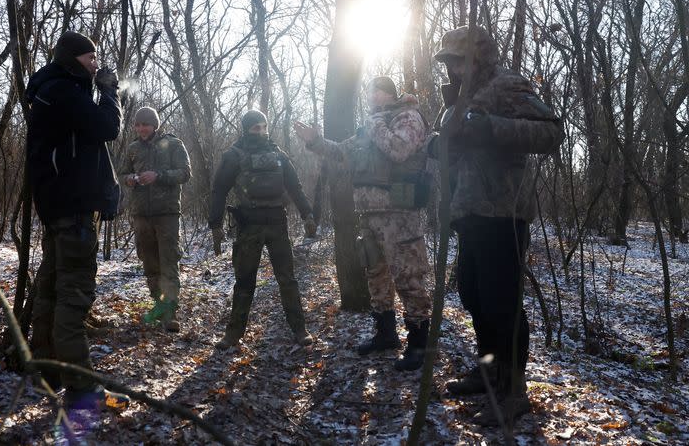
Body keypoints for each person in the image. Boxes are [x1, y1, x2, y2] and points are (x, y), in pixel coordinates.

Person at [428, 25, 564, 424]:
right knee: (473, 294)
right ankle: (487, 368)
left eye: (459, 59)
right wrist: (439, 144)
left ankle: (514, 390)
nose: (453, 68)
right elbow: (444, 144)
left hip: (503, 211)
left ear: (479, 57)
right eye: (449, 61)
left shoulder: (507, 85)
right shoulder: (456, 98)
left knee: (502, 303)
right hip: (467, 212)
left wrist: (492, 128)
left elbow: (552, 132)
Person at [294, 76, 432, 371]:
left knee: (408, 278)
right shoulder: (369, 127)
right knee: (376, 276)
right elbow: (340, 152)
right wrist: (315, 142)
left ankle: (420, 344)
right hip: (369, 215)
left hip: (400, 215)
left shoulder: (407, 117)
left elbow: (399, 150)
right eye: (369, 93)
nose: (371, 97)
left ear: (390, 94)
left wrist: (377, 124)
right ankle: (385, 334)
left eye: (377, 92)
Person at [26, 30, 129, 412]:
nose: (96, 63)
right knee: (74, 294)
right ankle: (82, 388)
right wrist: (110, 91)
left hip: (58, 207)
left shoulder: (52, 88)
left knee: (51, 288)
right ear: (73, 58)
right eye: (90, 58)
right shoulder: (66, 91)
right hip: (71, 208)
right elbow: (107, 128)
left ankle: (45, 372)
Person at [209, 110, 318, 350]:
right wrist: (215, 224)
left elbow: (295, 187)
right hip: (249, 225)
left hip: (278, 223)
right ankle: (233, 334)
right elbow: (218, 190)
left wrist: (307, 214)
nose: (260, 131)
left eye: (263, 127)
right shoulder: (234, 156)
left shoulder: (279, 155)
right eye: (255, 128)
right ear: (246, 129)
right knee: (244, 282)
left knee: (287, 280)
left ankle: (300, 329)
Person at [119, 106, 191, 332]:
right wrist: (130, 179)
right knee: (150, 263)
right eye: (138, 125)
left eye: (146, 124)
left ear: (155, 125)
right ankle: (158, 305)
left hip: (167, 213)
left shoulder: (173, 144)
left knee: (169, 262)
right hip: (141, 214)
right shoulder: (132, 148)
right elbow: (121, 174)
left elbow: (185, 173)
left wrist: (158, 176)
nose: (141, 128)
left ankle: (170, 314)